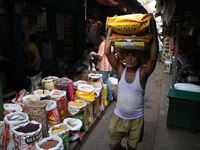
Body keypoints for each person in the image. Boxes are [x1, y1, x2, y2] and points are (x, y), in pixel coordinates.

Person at [105, 14, 158, 150]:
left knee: (131, 148)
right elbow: (107, 52)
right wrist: (110, 29)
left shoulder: (143, 73)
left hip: (136, 119)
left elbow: (153, 58)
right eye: (127, 55)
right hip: (118, 116)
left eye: (133, 56)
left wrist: (153, 27)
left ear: (139, 58)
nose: (130, 58)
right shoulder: (120, 69)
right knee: (113, 146)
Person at [90, 32, 114, 102]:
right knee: (106, 80)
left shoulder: (103, 44)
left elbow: (100, 57)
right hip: (108, 65)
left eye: (100, 36)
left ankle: (110, 97)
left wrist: (93, 54)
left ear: (102, 36)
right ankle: (110, 94)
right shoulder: (110, 43)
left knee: (105, 81)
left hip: (104, 66)